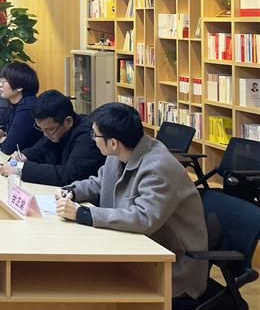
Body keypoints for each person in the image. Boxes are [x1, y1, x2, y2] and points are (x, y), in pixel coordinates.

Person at [56, 102, 208, 299]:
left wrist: (83, 214)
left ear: (113, 143)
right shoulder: (118, 153)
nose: (92, 139)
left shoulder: (158, 168)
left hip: (172, 266)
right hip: (133, 248)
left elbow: (143, 218)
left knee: (82, 281)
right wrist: (72, 191)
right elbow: (99, 183)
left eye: (94, 135)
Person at [0, 89, 103, 186]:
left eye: (49, 130)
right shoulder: (54, 129)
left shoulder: (87, 134)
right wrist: (22, 157)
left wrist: (21, 169)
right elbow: (37, 150)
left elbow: (69, 175)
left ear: (68, 121)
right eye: (41, 129)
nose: (45, 134)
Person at [0, 62, 41, 154]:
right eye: (0, 80)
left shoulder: (27, 109)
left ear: (19, 87)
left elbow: (9, 148)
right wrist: (3, 134)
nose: (0, 84)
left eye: (4, 81)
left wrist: (2, 140)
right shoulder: (16, 104)